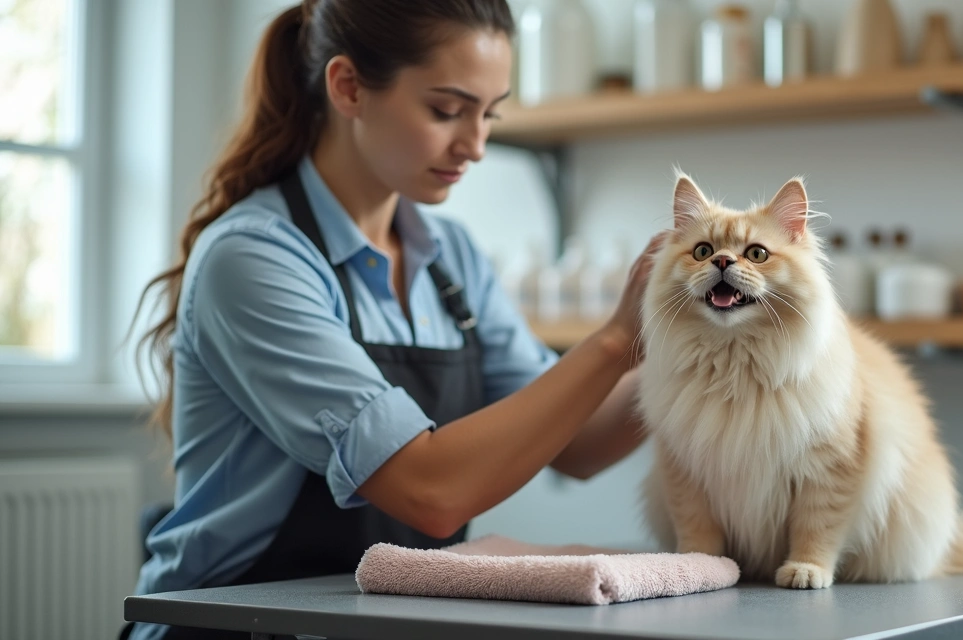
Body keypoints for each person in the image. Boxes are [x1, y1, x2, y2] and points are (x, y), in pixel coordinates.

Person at [123, 2, 662, 638]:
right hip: (231, 628)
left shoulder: (450, 258)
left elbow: (578, 441)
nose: (477, 144)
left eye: (489, 113)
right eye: (446, 110)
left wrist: (695, 350)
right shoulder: (255, 258)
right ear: (348, 86)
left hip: (375, 622)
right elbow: (429, 490)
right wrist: (618, 338)